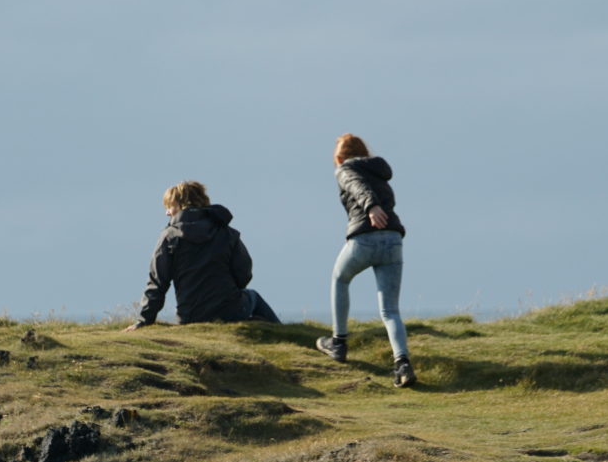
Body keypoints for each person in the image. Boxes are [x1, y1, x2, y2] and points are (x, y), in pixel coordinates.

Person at [316, 135, 415, 387]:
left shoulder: (344, 169)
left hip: (365, 240)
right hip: (393, 239)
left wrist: (370, 207)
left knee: (340, 278)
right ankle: (402, 364)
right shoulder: (378, 169)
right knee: (391, 310)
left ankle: (338, 343)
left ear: (339, 158)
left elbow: (357, 185)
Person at [125, 181, 280, 330]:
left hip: (189, 317)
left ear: (181, 205)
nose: (167, 212)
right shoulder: (225, 232)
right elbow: (244, 274)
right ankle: (285, 333)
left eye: (169, 206)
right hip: (230, 312)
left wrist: (143, 321)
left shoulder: (169, 237)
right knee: (253, 296)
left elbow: (157, 283)